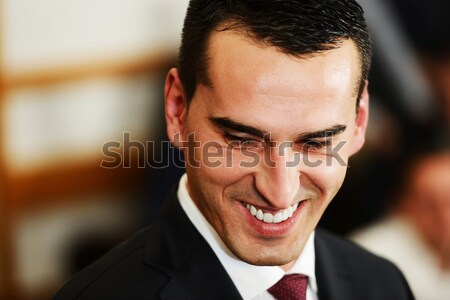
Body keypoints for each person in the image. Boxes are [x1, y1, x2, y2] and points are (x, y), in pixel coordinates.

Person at [54, 1, 414, 299]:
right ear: (178, 108)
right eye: (242, 141)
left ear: (359, 120)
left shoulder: (385, 285)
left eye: (316, 143)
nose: (280, 191)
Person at [351, 149, 450, 300]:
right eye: (429, 203)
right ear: (403, 205)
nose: (443, 214)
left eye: (448, 200)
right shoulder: (370, 250)